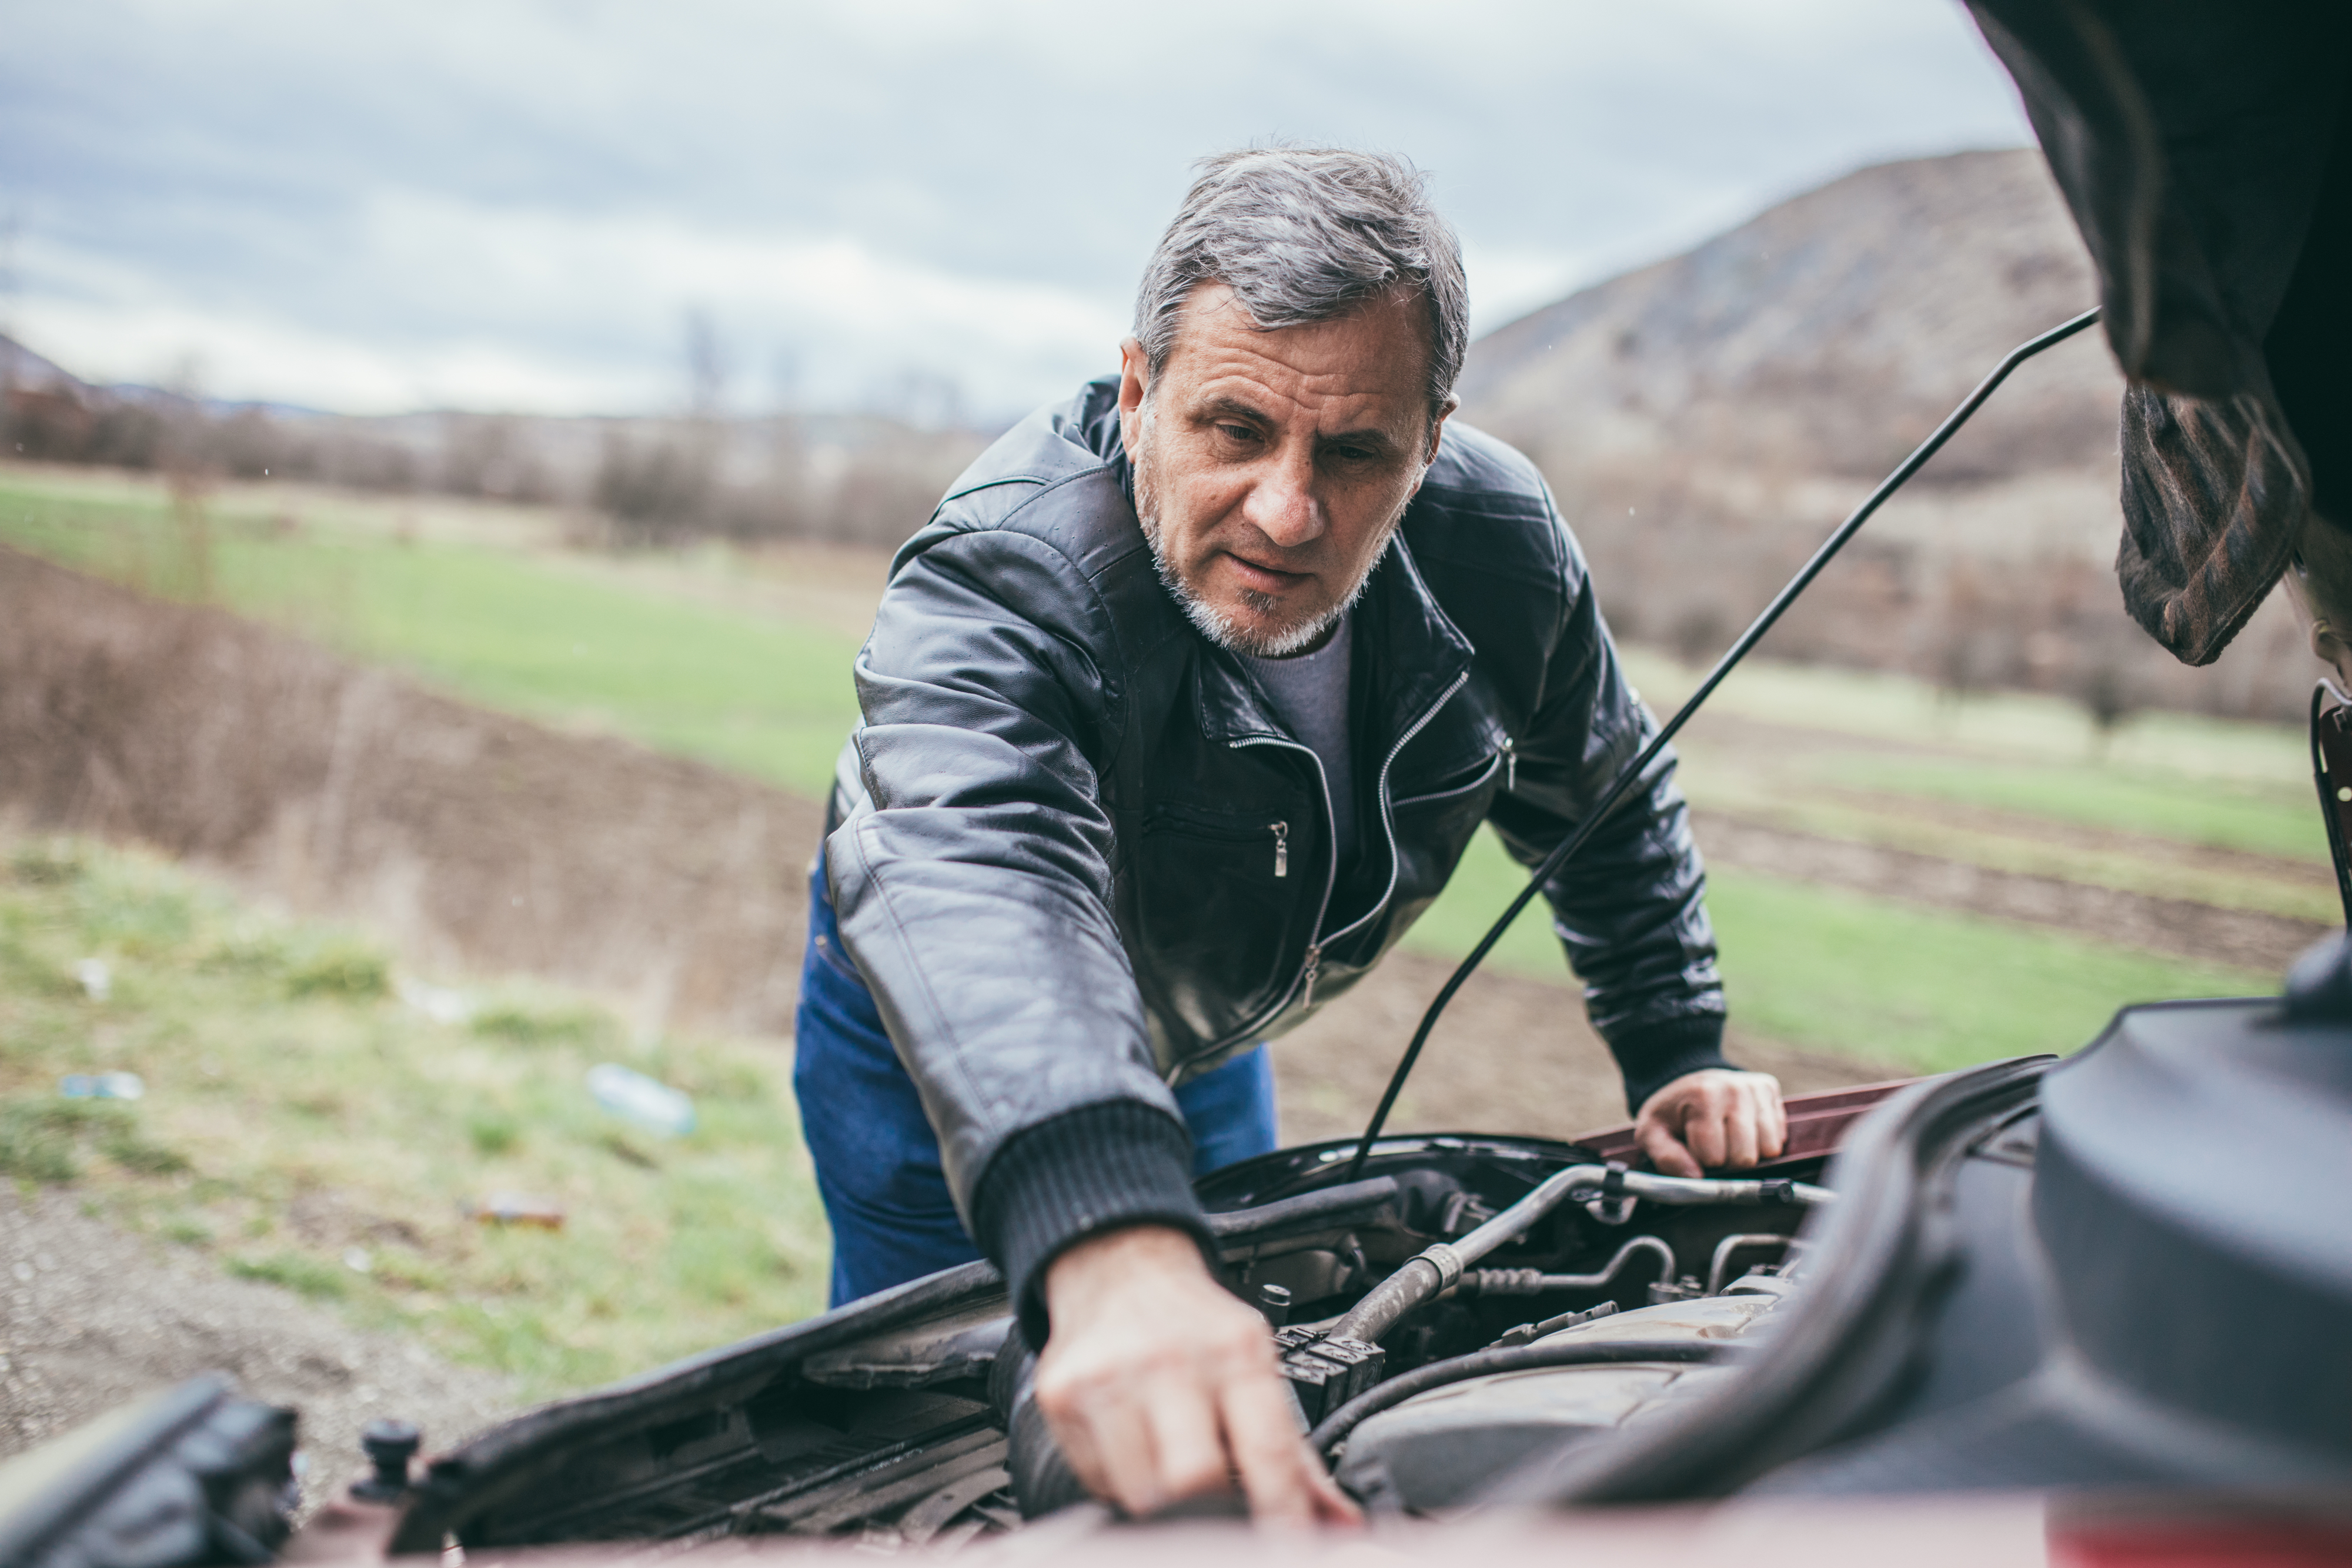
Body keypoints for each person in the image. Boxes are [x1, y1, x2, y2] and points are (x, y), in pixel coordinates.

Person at [793, 146, 1786, 1525]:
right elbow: (978, 857)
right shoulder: (1006, 568)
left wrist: (1675, 1040)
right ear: (1138, 391)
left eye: (1355, 450)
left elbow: (1600, 791)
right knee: (932, 1453)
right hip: (947, 1039)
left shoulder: (1497, 547)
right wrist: (1109, 1233)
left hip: (1205, 1028)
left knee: (1238, 1365)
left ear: (1431, 438)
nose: (1287, 510)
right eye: (1234, 429)